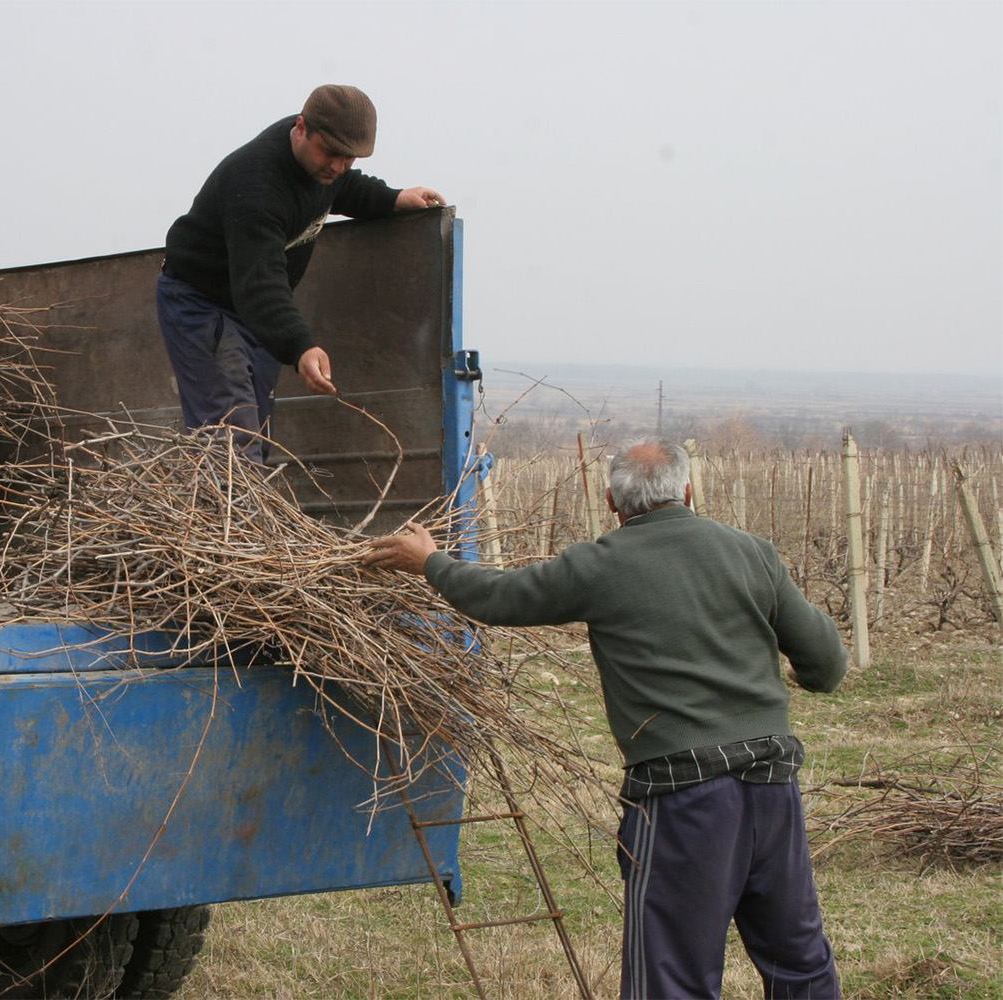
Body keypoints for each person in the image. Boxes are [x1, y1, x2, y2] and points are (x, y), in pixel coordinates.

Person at [363, 438, 848, 1000]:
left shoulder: (600, 565)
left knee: (671, 980)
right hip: (773, 788)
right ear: (688, 492)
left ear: (613, 505)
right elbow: (827, 667)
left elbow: (499, 599)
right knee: (800, 962)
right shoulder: (753, 553)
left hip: (684, 800)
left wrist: (431, 562)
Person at [157, 84, 445, 463]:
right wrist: (300, 346)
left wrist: (393, 198)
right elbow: (260, 284)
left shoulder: (318, 161)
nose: (339, 166)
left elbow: (341, 187)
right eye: (331, 153)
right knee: (230, 443)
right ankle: (230, 521)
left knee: (256, 435)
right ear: (301, 127)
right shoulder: (256, 185)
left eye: (349, 158)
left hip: (250, 313)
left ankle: (247, 519)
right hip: (202, 305)